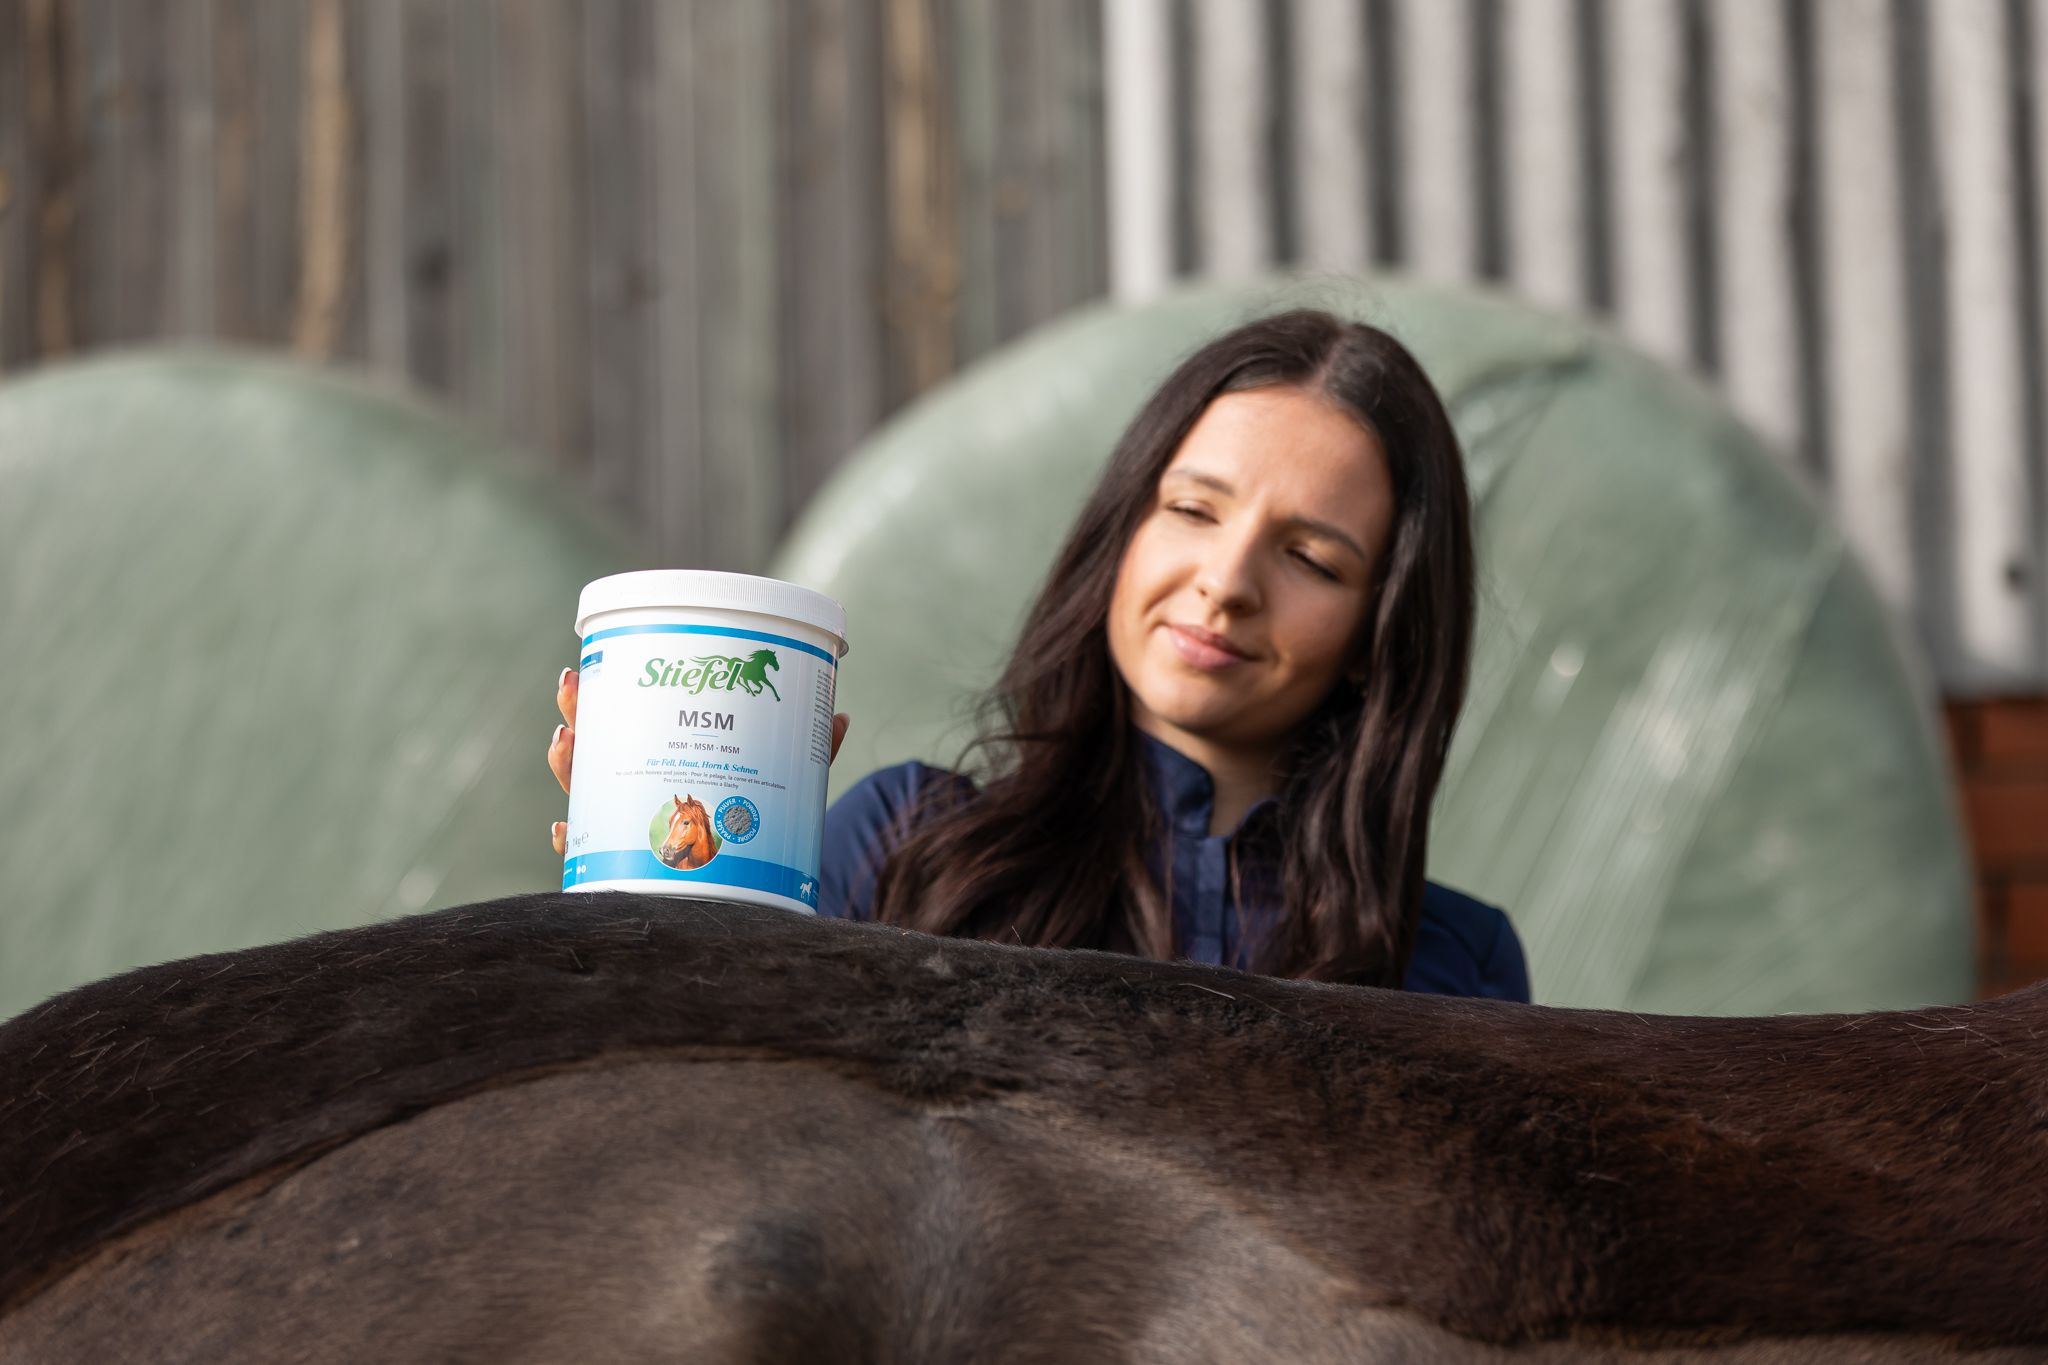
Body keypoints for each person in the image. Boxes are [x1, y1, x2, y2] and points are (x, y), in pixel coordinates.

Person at [549, 310, 1528, 1000]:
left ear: (1376, 636)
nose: (1225, 581)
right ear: (1122, 532)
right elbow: (683, 1129)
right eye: (1190, 509)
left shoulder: (1453, 966)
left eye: (1309, 557)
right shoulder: (910, 850)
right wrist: (652, 919)